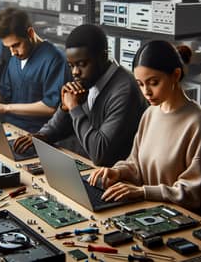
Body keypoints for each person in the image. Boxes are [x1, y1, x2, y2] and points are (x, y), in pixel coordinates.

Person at [88, 40, 201, 214]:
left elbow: (193, 192)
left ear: (176, 75)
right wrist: (117, 172)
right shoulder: (150, 113)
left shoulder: (197, 122)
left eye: (153, 82)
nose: (146, 92)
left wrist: (143, 192)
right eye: (140, 84)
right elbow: (135, 164)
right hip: (148, 211)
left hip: (182, 219)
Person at [14, 24, 147, 166]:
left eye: (81, 64)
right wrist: (43, 134)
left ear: (103, 56)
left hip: (112, 177)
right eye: (71, 65)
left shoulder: (125, 90)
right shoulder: (87, 77)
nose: (75, 72)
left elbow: (100, 154)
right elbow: (59, 127)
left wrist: (74, 107)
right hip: (82, 162)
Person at [0, 8, 71, 133]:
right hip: (10, 126)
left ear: (30, 33)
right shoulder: (17, 56)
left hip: (36, 133)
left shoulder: (55, 59)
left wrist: (6, 108)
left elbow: (51, 107)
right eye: (8, 47)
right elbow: (4, 93)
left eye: (16, 45)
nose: (12, 52)